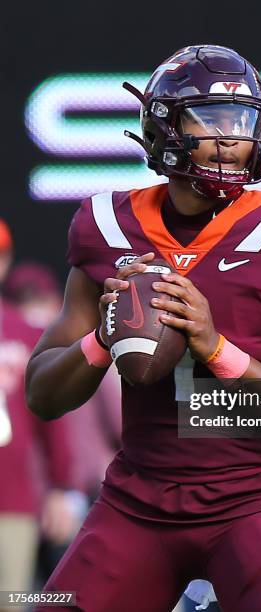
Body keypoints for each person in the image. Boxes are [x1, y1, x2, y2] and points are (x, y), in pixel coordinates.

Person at [26, 45, 261, 612]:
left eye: (243, 122)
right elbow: (41, 394)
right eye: (211, 120)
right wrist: (103, 339)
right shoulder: (105, 226)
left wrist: (216, 348)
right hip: (137, 500)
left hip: (257, 501)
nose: (230, 138)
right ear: (164, 128)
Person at [0, 221, 80, 612]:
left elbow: (50, 414)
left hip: (11, 497)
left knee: (10, 600)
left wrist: (62, 487)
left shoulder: (26, 332)